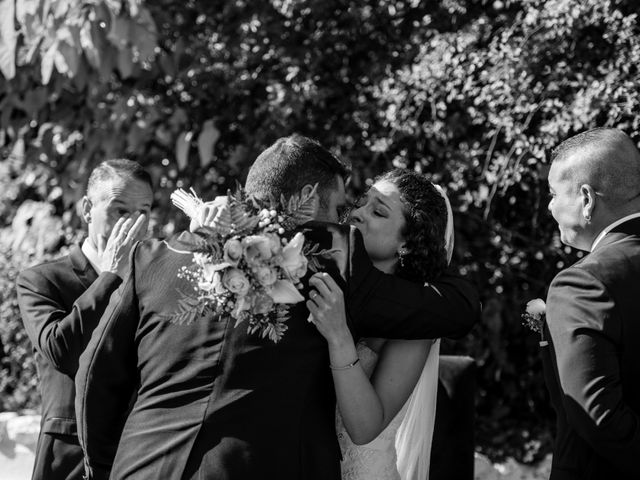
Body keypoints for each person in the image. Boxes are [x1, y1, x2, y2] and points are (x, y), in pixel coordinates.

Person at [75, 134, 481, 480]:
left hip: (143, 466)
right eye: (341, 207)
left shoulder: (152, 257)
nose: (347, 219)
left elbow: (95, 375)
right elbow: (459, 308)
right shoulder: (334, 260)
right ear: (307, 198)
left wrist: (107, 467)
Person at [309, 169, 454, 480]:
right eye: (362, 202)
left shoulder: (416, 324)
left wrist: (339, 337)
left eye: (377, 211)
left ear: (408, 244)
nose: (357, 213)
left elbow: (365, 428)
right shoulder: (328, 278)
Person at [16, 159, 152, 480]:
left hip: (138, 451)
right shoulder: (41, 280)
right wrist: (109, 277)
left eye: (144, 211)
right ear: (87, 209)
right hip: (70, 454)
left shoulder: (152, 279)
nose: (134, 223)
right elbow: (61, 350)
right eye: (121, 210)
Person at [544, 127, 640, 480]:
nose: (550, 205)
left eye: (554, 193)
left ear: (586, 198)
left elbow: (597, 416)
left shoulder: (584, 283)